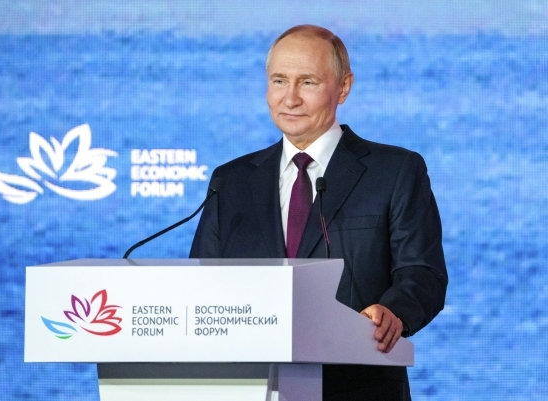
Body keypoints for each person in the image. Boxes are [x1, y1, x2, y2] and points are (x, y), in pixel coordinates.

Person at [190, 24, 448, 401]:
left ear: (343, 87)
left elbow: (422, 273)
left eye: (307, 82)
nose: (290, 98)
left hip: (360, 387)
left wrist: (393, 312)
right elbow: (201, 287)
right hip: (250, 387)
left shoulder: (394, 171)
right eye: (279, 81)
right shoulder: (230, 181)